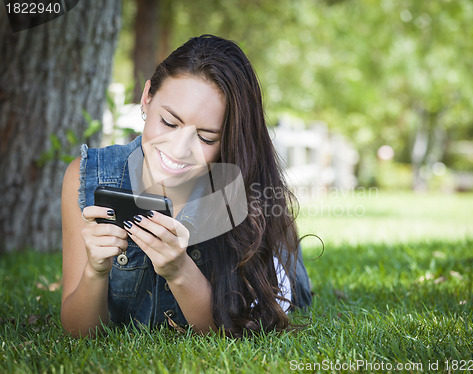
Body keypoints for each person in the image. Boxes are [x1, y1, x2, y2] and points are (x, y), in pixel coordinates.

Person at [60, 34, 312, 339]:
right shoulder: (87, 177)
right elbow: (78, 332)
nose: (179, 150)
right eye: (169, 122)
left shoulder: (239, 191)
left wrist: (179, 270)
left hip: (277, 277)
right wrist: (95, 271)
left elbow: (235, 331)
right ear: (147, 97)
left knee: (287, 290)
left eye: (206, 138)